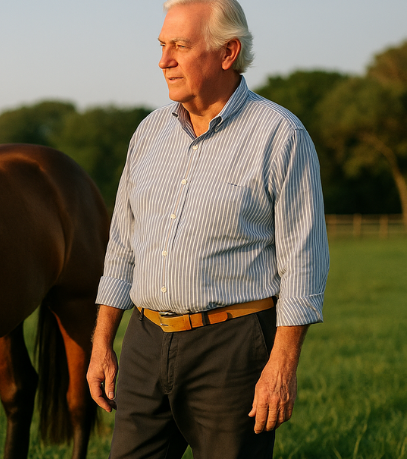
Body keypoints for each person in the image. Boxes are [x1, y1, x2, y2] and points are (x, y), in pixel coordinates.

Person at [86, 0, 329, 458]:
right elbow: (121, 248)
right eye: (162, 46)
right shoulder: (147, 133)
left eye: (180, 46)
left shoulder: (280, 136)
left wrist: (281, 366)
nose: (164, 61)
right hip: (144, 341)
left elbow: (304, 266)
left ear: (228, 52)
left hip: (232, 350)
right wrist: (102, 342)